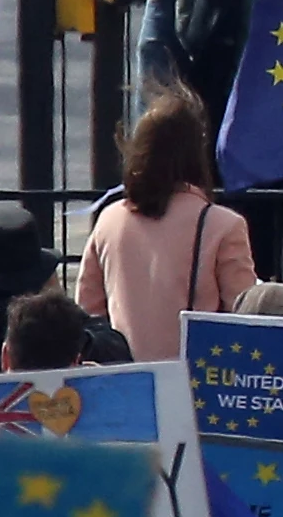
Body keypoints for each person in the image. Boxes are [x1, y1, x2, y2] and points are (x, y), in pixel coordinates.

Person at [80, 97, 257, 347]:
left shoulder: (108, 220)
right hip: (192, 377)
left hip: (124, 376)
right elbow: (244, 315)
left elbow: (90, 313)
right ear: (197, 152)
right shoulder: (223, 225)